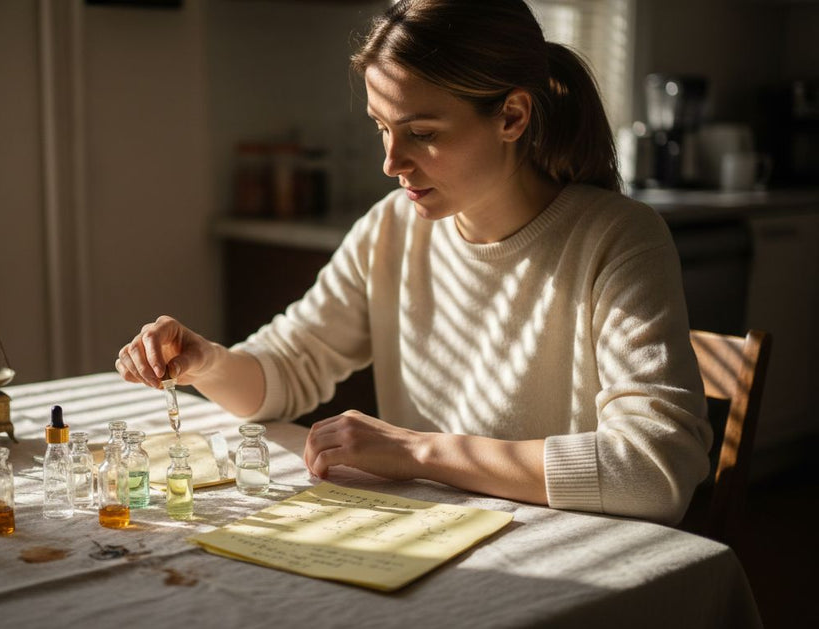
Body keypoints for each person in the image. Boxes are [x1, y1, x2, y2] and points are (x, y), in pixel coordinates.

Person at [116, 0, 711, 525]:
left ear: (512, 117)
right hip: (432, 543)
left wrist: (417, 452)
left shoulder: (617, 238)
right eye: (381, 128)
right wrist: (208, 363)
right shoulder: (392, 226)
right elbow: (289, 368)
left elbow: (656, 470)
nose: (391, 162)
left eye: (421, 132)